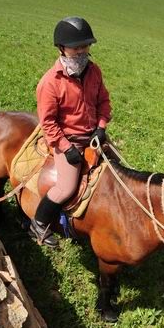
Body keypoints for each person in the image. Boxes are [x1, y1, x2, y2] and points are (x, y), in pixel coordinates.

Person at [33, 17, 112, 247]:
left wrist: (101, 127)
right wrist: (66, 148)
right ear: (61, 48)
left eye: (86, 46)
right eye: (76, 47)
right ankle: (38, 223)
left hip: (93, 136)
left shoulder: (94, 71)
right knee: (66, 187)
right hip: (67, 139)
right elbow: (48, 122)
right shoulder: (50, 82)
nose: (82, 51)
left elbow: (104, 102)